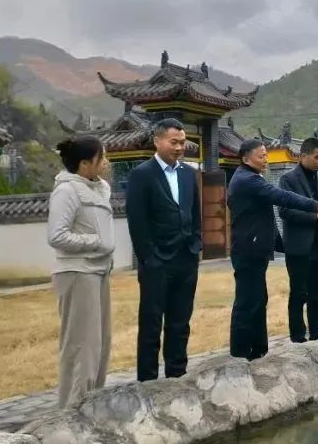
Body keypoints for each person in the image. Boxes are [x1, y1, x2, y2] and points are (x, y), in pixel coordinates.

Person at [227, 139, 318, 361]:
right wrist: (315, 206)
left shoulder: (250, 177)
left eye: (266, 155)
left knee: (258, 300)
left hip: (256, 249)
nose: (266, 160)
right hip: (249, 250)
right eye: (261, 156)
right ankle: (240, 355)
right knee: (247, 303)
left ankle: (258, 351)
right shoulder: (248, 180)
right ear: (246, 158)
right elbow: (282, 198)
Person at [125, 118, 202, 382]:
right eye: (174, 142)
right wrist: (149, 258)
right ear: (157, 141)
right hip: (157, 262)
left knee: (180, 322)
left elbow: (194, 213)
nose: (179, 147)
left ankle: (176, 376)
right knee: (151, 323)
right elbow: (137, 221)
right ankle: (148, 381)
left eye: (182, 142)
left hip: (186, 258)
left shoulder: (188, 174)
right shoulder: (142, 174)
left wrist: (196, 244)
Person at [47, 135, 113, 407]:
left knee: (100, 343)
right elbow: (57, 235)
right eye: (101, 157)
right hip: (77, 272)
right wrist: (95, 242)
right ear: (85, 164)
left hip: (99, 271)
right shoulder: (66, 191)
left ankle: (92, 403)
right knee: (81, 344)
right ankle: (72, 409)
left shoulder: (101, 188)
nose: (106, 162)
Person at [279, 137, 318, 343]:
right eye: (317, 157)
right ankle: (298, 336)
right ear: (303, 156)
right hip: (298, 246)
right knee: (298, 293)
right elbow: (285, 211)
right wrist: (315, 216)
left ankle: (317, 333)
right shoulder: (288, 179)